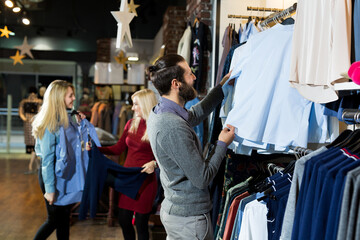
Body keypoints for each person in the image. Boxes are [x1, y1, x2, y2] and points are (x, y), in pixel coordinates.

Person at [146, 54, 235, 240]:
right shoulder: (171, 125)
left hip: (180, 213)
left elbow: (193, 116)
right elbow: (202, 178)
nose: (194, 77)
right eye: (189, 74)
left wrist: (219, 89)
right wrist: (222, 144)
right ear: (175, 84)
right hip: (189, 219)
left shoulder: (162, 111)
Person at [32, 80, 96, 240]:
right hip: (52, 177)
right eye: (70, 95)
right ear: (59, 98)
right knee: (53, 220)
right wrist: (50, 189)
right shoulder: (49, 123)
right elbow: (46, 161)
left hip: (65, 175)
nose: (74, 98)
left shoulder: (67, 118)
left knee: (64, 220)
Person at [98, 89, 158, 240]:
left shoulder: (157, 126)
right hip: (127, 179)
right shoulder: (131, 123)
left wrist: (155, 163)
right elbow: (118, 149)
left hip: (145, 181)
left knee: (141, 223)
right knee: (124, 220)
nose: (132, 108)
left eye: (135, 104)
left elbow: (169, 155)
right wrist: (96, 148)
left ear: (145, 104)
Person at [18, 86, 42, 174]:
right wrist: (25, 119)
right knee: (31, 145)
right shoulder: (24, 102)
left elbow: (40, 111)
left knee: (35, 143)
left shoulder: (39, 102)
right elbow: (21, 112)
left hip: (36, 123)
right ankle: (36, 166)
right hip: (28, 124)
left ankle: (31, 165)